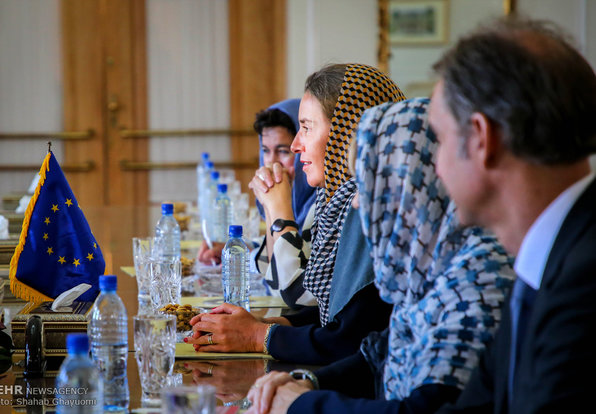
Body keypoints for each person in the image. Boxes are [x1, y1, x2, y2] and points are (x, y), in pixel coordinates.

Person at [244, 98, 515, 414]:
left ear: (411, 184)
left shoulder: (476, 273)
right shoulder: (430, 263)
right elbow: (377, 353)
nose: (356, 202)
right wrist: (308, 383)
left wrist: (305, 404)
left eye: (368, 183)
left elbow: (425, 408)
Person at [429, 17, 596, 414]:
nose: (435, 165)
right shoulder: (544, 259)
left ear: (481, 138)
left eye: (439, 139)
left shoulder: (584, 281)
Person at [187, 63, 405, 365]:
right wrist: (271, 325)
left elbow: (350, 340)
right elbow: (337, 311)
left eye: (306, 127)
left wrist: (257, 336)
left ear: (348, 131)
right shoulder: (338, 200)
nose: (295, 145)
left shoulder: (367, 206)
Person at [197, 99, 317, 307]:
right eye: (266, 150)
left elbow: (282, 286)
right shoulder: (299, 200)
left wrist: (277, 207)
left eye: (283, 151)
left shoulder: (320, 202)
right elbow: (276, 260)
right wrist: (237, 249)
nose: (271, 163)